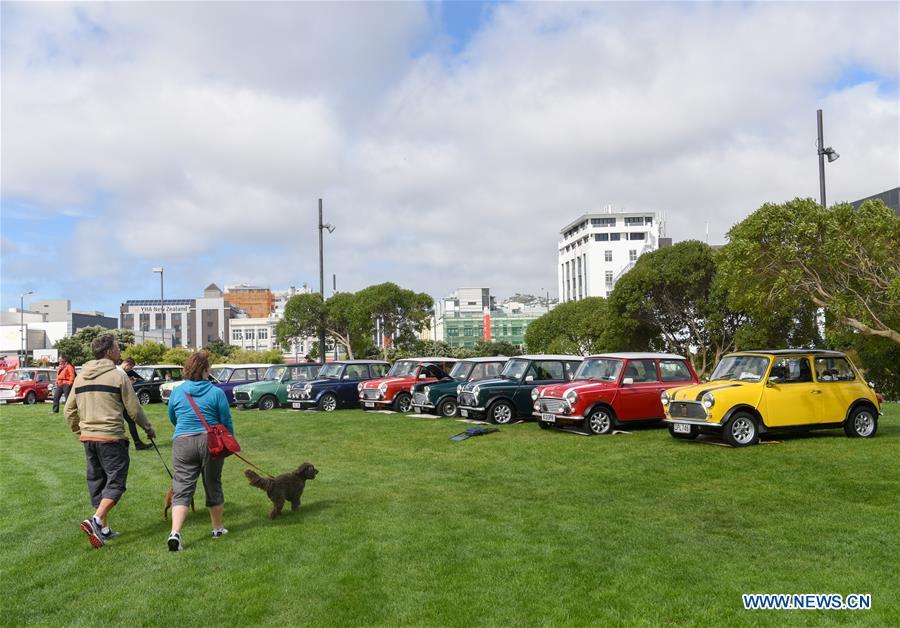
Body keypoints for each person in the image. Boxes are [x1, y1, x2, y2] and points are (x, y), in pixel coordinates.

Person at [64, 334, 156, 549]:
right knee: (116, 483)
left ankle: (104, 530)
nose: (119, 350)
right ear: (108, 352)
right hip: (111, 437)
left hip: (89, 438)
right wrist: (148, 429)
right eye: (117, 347)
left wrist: (80, 432)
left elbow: (69, 411)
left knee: (98, 483)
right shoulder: (119, 375)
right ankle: (95, 521)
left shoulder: (80, 376)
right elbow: (133, 409)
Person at [166, 351, 233, 551]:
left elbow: (173, 417)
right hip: (210, 441)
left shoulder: (177, 391)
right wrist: (229, 440)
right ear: (206, 370)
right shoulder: (216, 392)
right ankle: (217, 528)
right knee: (213, 483)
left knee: (182, 488)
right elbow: (226, 421)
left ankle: (175, 533)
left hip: (182, 442)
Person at [117, 357, 152, 451]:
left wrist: (129, 381)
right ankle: (136, 443)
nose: (130, 370)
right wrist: (130, 382)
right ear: (127, 364)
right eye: (130, 368)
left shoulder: (118, 371)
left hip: (119, 401)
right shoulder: (121, 372)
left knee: (130, 421)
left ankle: (137, 443)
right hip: (121, 402)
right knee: (129, 421)